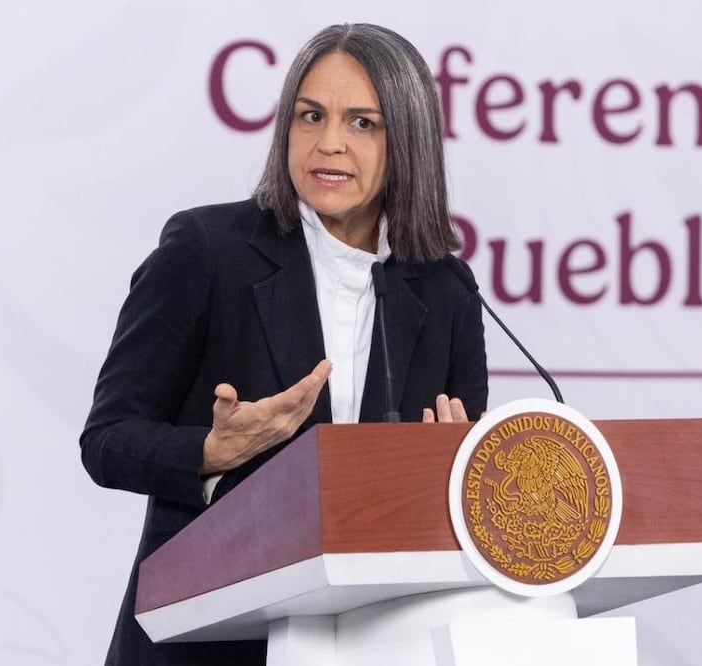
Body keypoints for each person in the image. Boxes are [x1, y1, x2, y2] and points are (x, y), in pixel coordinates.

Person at [81, 23, 488, 666]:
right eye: (311, 115)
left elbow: (452, 487)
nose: (329, 143)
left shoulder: (444, 289)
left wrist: (453, 479)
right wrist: (212, 452)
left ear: (408, 141)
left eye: (363, 123)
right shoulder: (207, 251)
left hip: (378, 643)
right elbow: (106, 441)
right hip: (211, 645)